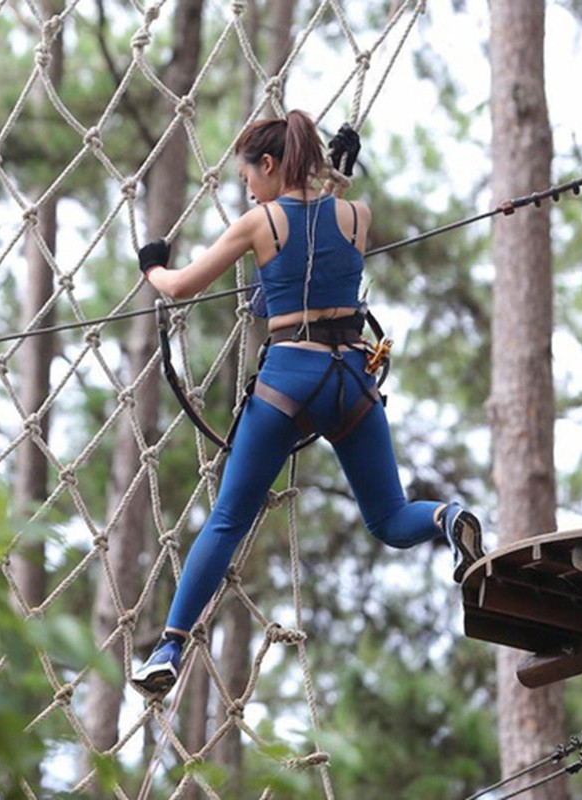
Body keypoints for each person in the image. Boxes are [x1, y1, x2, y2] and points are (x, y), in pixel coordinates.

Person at [131, 110, 483, 696]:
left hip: (288, 380)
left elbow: (180, 287)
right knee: (392, 518)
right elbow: (322, 232)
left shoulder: (257, 223)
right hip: (352, 378)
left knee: (227, 520)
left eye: (248, 176)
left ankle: (169, 646)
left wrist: (152, 264)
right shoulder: (356, 216)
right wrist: (333, 179)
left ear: (268, 165)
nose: (246, 188)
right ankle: (448, 518)